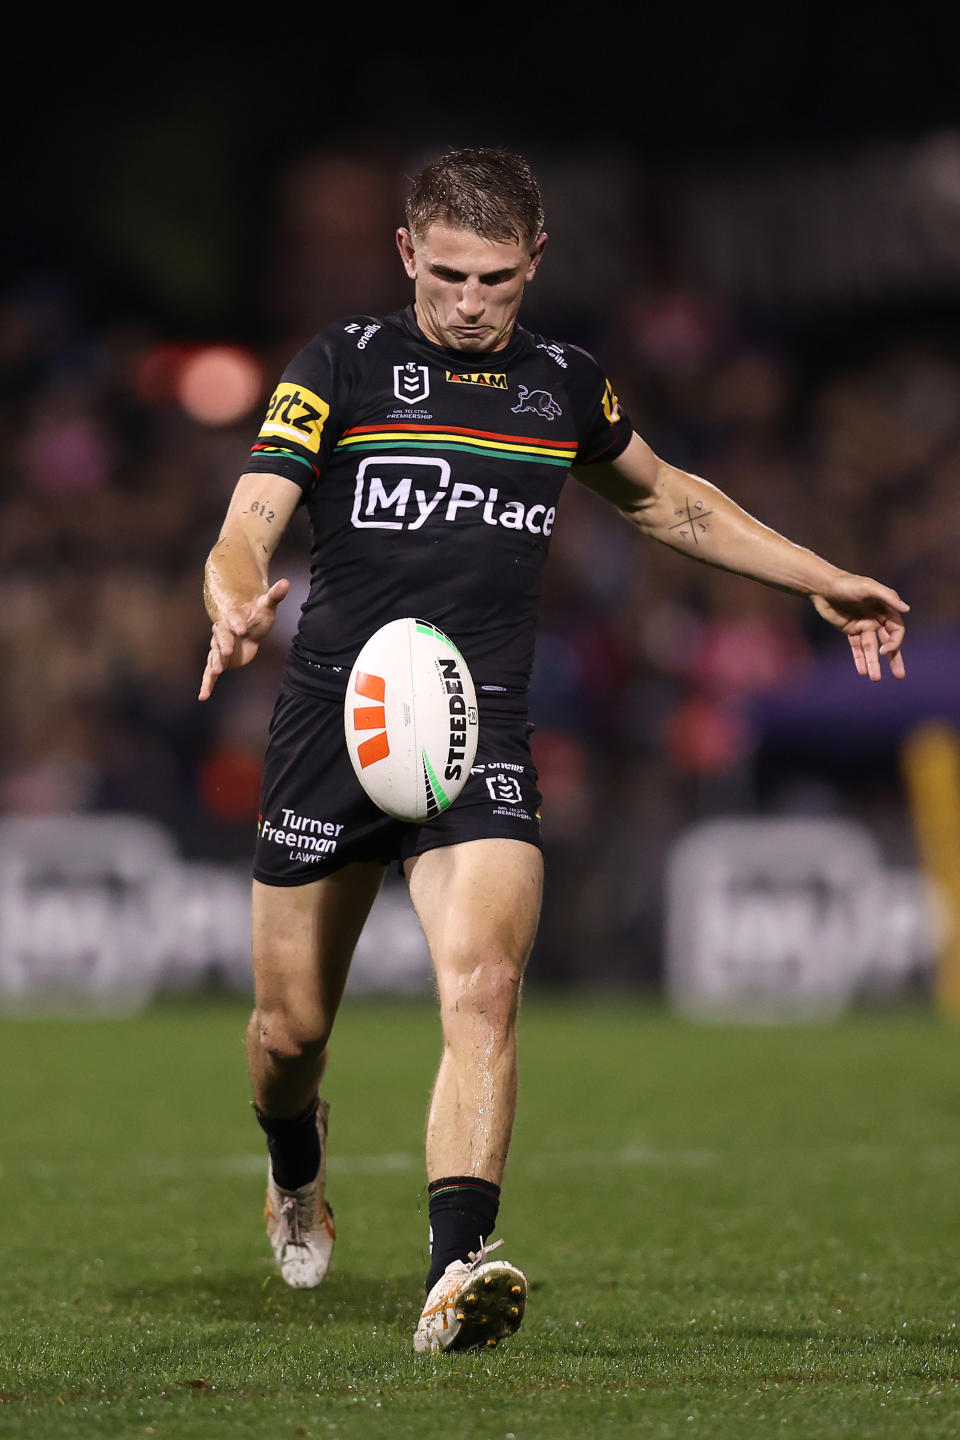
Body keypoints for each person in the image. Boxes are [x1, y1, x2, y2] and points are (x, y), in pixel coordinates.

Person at [198, 148, 908, 1354]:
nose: (473, 302)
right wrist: (232, 593)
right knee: (288, 1037)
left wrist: (818, 579)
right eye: (452, 275)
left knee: (482, 983)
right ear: (408, 254)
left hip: (478, 727)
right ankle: (294, 1155)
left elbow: (666, 499)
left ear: (537, 263)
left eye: (499, 280)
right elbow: (247, 519)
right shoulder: (342, 367)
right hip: (336, 725)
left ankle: (457, 1263)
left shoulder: (562, 387)